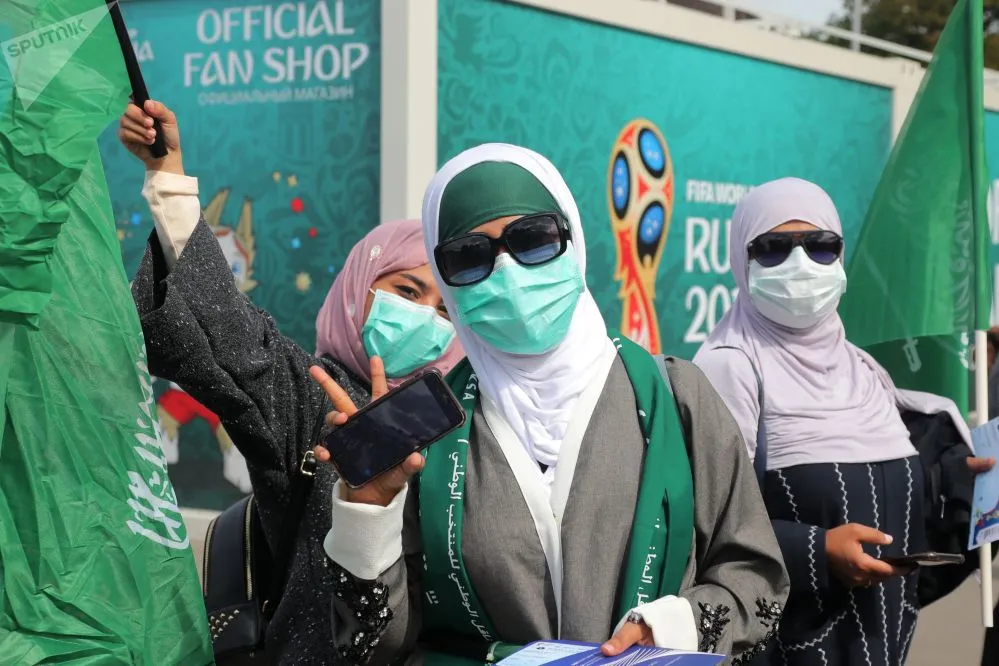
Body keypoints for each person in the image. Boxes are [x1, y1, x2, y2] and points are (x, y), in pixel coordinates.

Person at [311, 143, 790, 665]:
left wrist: (671, 627)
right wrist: (369, 512)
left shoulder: (675, 396)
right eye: (469, 256)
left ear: (572, 239)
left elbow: (757, 581)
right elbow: (382, 644)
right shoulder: (428, 427)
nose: (508, 271)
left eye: (533, 240)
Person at [119, 100, 463, 664]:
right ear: (360, 286)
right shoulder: (309, 394)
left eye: (445, 308)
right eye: (406, 291)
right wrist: (169, 176)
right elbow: (228, 330)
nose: (427, 316)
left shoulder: (462, 419)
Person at [694, 178, 993, 666]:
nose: (800, 265)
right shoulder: (730, 368)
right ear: (740, 260)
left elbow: (905, 526)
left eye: (820, 246)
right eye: (772, 248)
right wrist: (818, 549)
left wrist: (965, 488)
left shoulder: (865, 371)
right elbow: (707, 527)